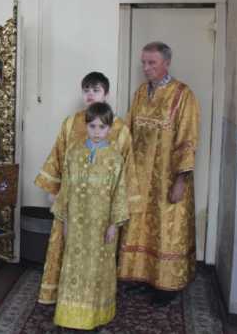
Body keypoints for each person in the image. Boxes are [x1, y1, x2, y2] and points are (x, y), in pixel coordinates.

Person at [35, 72, 141, 305]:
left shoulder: (120, 128)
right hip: (72, 203)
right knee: (66, 249)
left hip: (101, 209)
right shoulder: (71, 123)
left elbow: (126, 169)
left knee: (98, 256)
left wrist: (119, 212)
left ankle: (94, 304)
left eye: (96, 90)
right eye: (86, 90)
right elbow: (58, 155)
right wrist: (53, 189)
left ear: (106, 94)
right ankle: (65, 299)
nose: (91, 95)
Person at [118, 41, 200, 306]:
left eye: (151, 62)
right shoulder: (141, 92)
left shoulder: (183, 94)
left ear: (166, 63)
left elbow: (188, 139)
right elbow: (128, 130)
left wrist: (180, 180)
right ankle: (142, 278)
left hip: (168, 178)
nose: (146, 68)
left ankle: (167, 286)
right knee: (140, 226)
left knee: (166, 229)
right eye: (143, 62)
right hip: (140, 178)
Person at [51, 102, 128, 330]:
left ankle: (95, 316)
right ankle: (69, 316)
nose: (97, 131)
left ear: (110, 128)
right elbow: (66, 188)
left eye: (102, 127)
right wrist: (65, 220)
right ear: (86, 125)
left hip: (101, 225)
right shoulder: (73, 153)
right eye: (92, 126)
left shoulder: (115, 158)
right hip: (76, 222)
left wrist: (114, 224)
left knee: (97, 270)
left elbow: (119, 193)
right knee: (73, 267)